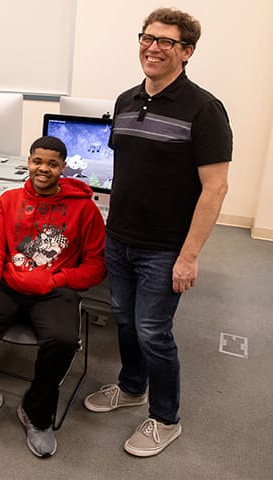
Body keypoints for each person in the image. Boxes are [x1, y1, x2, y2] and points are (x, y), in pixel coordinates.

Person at [83, 8, 232, 458]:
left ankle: (166, 418)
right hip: (120, 237)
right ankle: (132, 388)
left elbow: (215, 187)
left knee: (153, 331)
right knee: (123, 319)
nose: (153, 47)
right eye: (148, 37)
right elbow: (126, 170)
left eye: (166, 41)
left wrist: (189, 256)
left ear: (186, 52)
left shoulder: (204, 109)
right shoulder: (127, 99)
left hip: (165, 248)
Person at [0, 136, 106, 458]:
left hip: (54, 289)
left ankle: (36, 413)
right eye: (37, 161)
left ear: (63, 167)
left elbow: (96, 266)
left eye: (52, 163)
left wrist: (57, 278)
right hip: (9, 286)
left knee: (62, 340)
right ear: (28, 162)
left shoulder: (84, 209)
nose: (43, 169)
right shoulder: (8, 201)